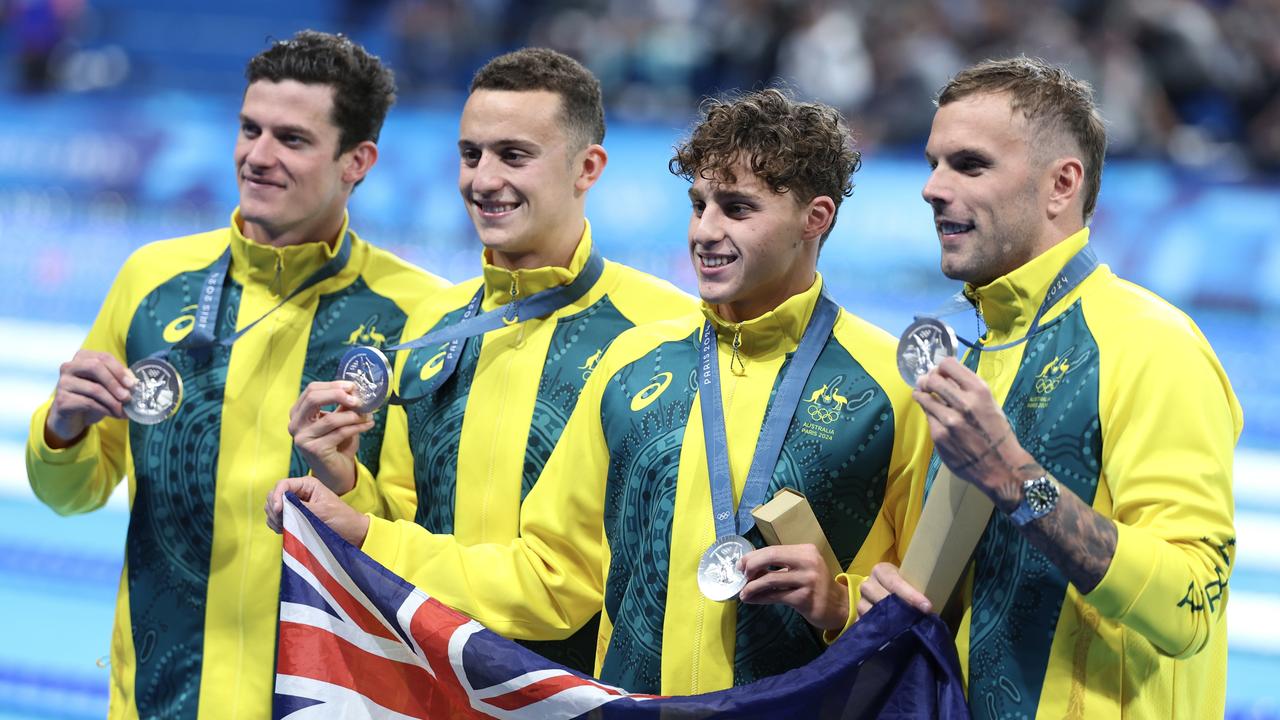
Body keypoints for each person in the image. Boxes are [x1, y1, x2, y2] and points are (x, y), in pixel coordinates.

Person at [269, 88, 928, 695]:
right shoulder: (634, 363)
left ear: (816, 217)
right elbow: (553, 577)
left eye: (738, 209)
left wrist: (840, 605)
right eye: (698, 205)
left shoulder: (888, 387)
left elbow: (937, 609)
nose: (704, 231)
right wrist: (362, 531)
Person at [26, 31, 448, 719]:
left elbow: (418, 535)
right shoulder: (152, 281)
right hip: (160, 698)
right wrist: (63, 429)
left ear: (357, 162)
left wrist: (344, 480)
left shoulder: (416, 315)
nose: (257, 156)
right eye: (249, 129)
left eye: (291, 138)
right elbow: (67, 495)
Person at [854, 56, 1242, 718]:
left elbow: (1191, 604)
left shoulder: (1152, 344)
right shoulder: (975, 352)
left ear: (1061, 184)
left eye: (969, 165)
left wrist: (1015, 480)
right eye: (932, 163)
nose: (932, 188)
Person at [285, 47, 695, 672]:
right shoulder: (434, 324)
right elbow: (399, 514)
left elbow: (581, 584)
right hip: (430, 684)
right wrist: (341, 479)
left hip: (575, 694)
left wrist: (370, 535)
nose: (482, 180)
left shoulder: (664, 330)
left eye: (514, 155)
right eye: (471, 153)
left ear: (587, 168)